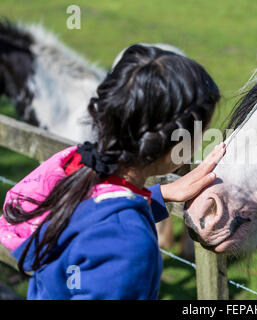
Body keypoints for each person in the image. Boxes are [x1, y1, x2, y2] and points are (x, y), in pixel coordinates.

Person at [0, 44, 225, 299]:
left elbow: (91, 216)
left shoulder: (73, 166)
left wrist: (160, 194)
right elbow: (108, 228)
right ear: (178, 144)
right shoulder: (127, 245)